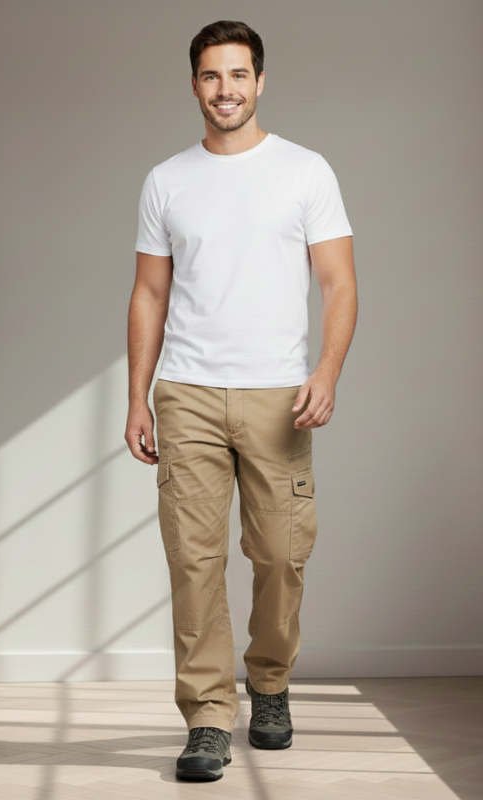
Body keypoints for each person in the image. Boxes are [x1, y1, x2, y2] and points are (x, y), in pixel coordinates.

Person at [124, 19, 357, 782]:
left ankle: (270, 684)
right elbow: (149, 294)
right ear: (194, 83)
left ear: (260, 81)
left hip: (278, 395)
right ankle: (207, 719)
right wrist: (138, 397)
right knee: (193, 561)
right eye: (211, 76)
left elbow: (339, 283)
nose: (226, 89)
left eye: (239, 74)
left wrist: (326, 370)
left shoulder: (305, 171)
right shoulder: (166, 180)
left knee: (281, 557)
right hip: (187, 393)